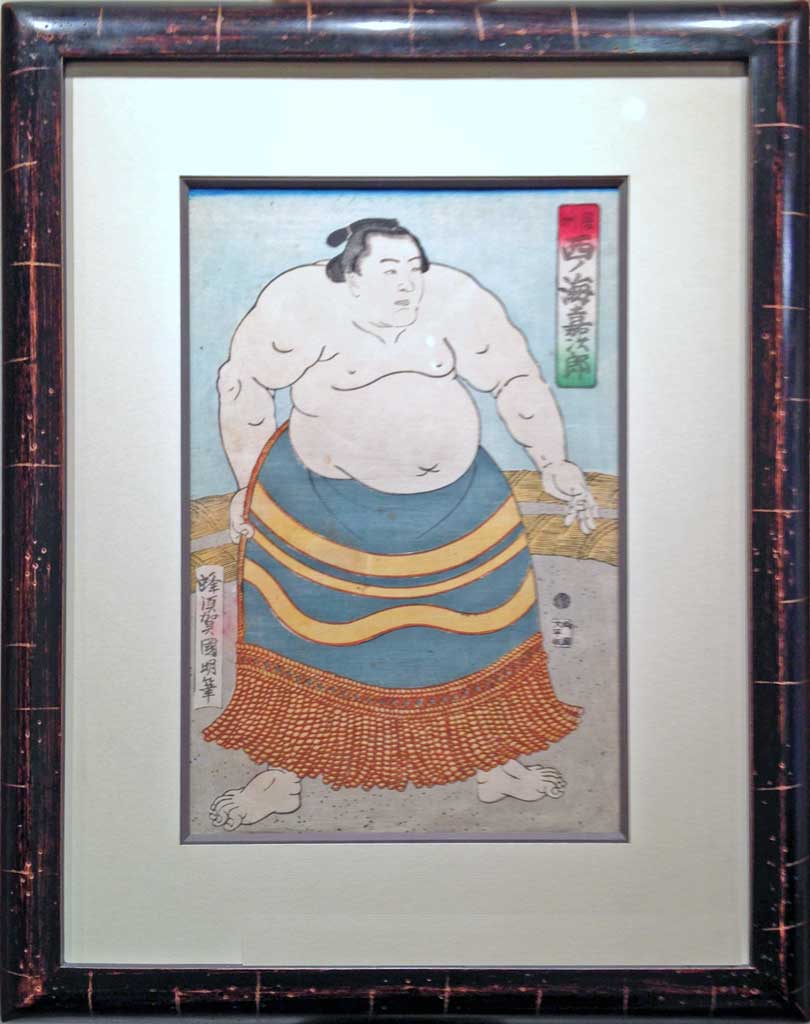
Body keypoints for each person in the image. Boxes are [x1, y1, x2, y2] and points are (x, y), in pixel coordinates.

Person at [205, 218, 595, 831]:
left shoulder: (456, 299)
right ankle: (281, 777)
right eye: (390, 271)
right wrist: (245, 483)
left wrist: (553, 459)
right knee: (302, 639)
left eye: (414, 268)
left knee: (484, 632)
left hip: (458, 501)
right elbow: (243, 384)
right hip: (320, 503)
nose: (408, 283)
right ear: (351, 276)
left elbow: (516, 378)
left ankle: (495, 764)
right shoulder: (299, 303)